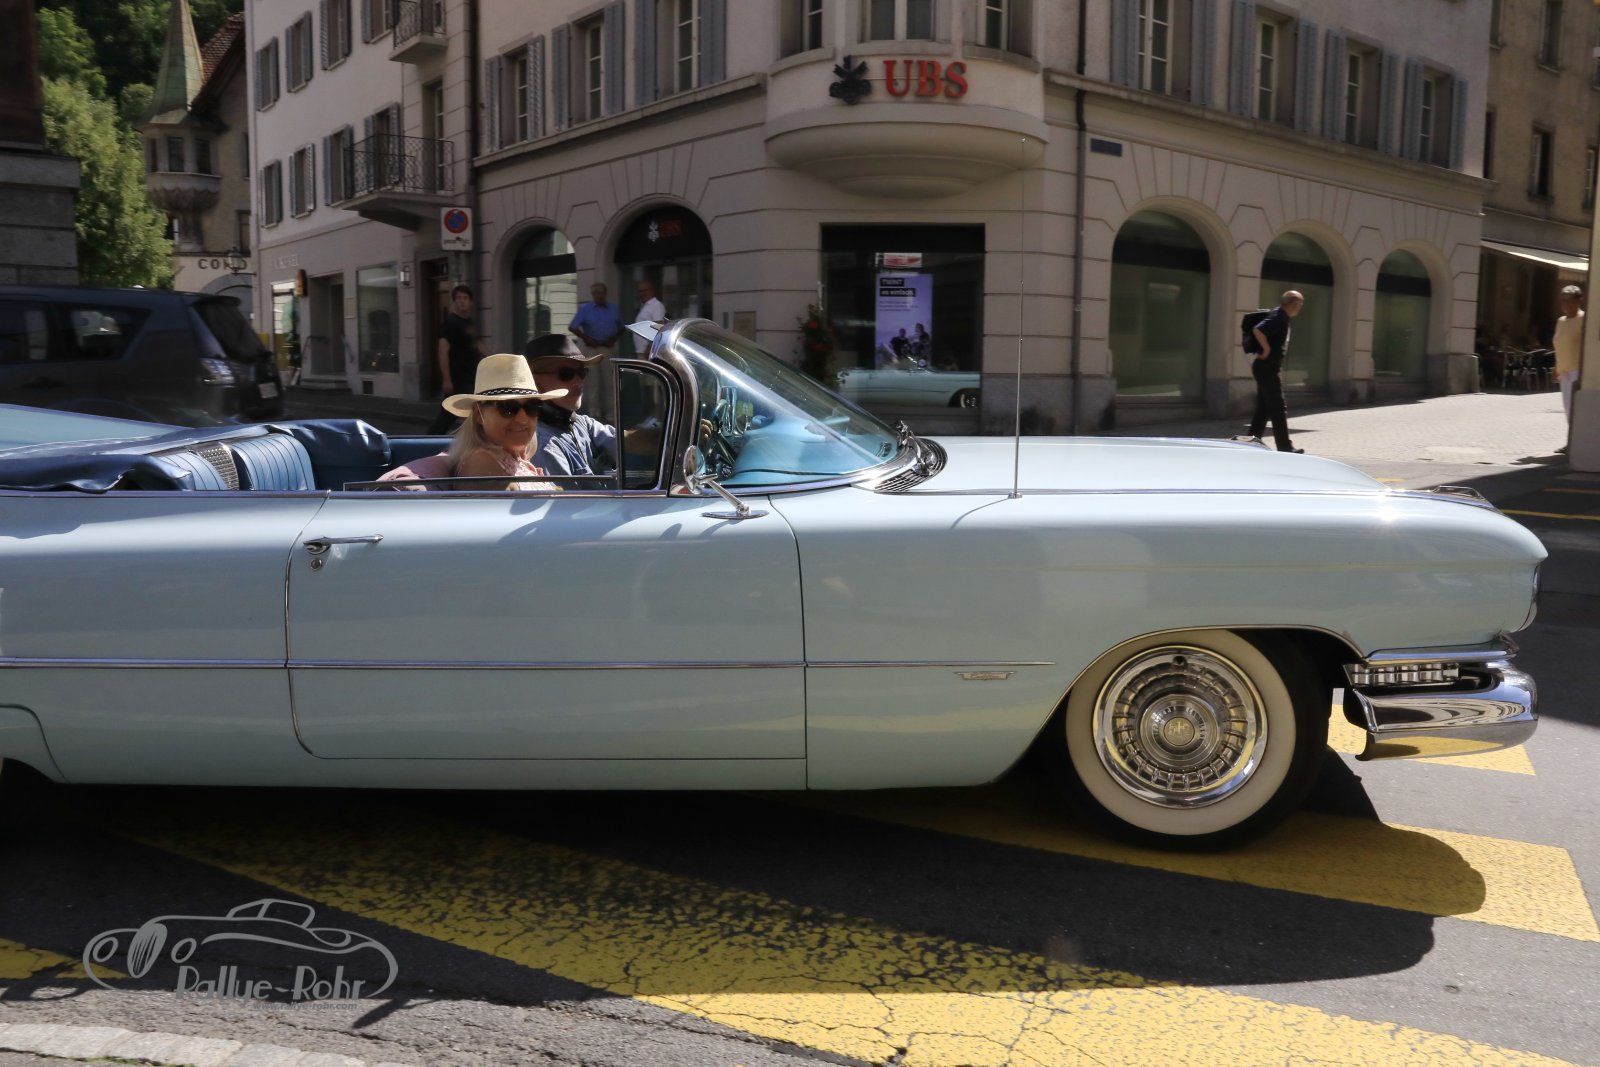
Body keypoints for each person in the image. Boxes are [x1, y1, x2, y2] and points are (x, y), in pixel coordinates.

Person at [379, 354, 567, 491]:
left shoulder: (511, 459)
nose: (522, 418)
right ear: (478, 413)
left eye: (532, 406)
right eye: (508, 407)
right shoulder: (481, 463)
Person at [525, 332, 617, 477]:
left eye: (582, 373)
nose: (578, 382)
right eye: (566, 374)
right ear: (535, 382)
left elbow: (625, 442)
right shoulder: (544, 444)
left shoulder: (579, 422)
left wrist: (656, 437)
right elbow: (566, 493)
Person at [1247, 290, 1305, 454]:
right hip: (1267, 367)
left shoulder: (1281, 316)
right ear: (1292, 303)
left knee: (1264, 408)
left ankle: (1250, 442)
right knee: (1278, 408)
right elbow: (1258, 330)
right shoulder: (1278, 317)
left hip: (1266, 367)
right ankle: (1285, 447)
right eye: (1299, 304)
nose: (1300, 308)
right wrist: (1266, 349)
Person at [430, 285, 490, 434]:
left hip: (471, 376)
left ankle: (468, 440)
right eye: (459, 298)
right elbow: (442, 351)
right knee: (448, 415)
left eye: (465, 298)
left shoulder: (469, 322)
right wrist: (446, 380)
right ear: (454, 301)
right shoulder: (450, 323)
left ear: (471, 302)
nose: (462, 301)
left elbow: (477, 343)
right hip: (457, 379)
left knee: (465, 413)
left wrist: (493, 358)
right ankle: (429, 440)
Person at [1554, 284, 1584, 452]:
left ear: (1579, 301)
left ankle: (1575, 443)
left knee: (1576, 408)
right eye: (1563, 301)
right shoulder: (1561, 321)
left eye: (1570, 300)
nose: (1566, 304)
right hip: (1564, 370)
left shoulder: (1583, 319)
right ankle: (1571, 441)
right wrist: (1556, 367)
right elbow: (1559, 345)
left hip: (1577, 370)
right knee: (1567, 408)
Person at [568, 282, 624, 356]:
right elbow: (572, 327)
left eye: (602, 293)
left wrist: (614, 339)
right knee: (590, 364)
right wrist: (585, 338)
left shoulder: (614, 309)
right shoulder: (585, 309)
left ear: (606, 294)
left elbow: (622, 328)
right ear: (593, 294)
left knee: (609, 364)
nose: (600, 295)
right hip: (591, 349)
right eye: (597, 293)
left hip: (608, 348)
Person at [633, 280, 665, 355]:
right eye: (640, 291)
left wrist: (650, 347)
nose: (641, 294)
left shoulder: (656, 305)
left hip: (648, 352)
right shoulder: (645, 306)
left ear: (651, 291)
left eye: (644, 291)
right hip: (642, 351)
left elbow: (659, 327)